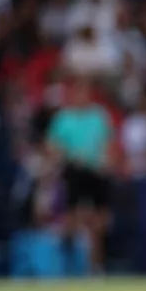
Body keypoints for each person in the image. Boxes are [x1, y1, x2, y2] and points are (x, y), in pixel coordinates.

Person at [45, 76, 116, 274]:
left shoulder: (99, 116)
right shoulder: (63, 118)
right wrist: (65, 157)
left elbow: (108, 144)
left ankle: (96, 267)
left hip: (96, 172)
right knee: (71, 219)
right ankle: (69, 265)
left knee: (98, 222)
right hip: (73, 171)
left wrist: (105, 162)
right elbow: (52, 147)